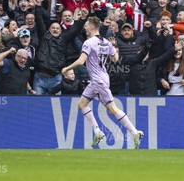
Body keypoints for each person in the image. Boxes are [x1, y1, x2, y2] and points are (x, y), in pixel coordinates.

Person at [61, 17, 144, 149]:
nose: (85, 27)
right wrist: (115, 46)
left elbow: (81, 61)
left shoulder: (89, 43)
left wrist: (67, 68)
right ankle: (97, 132)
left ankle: (134, 132)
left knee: (113, 109)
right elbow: (115, 59)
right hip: (99, 79)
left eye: (87, 25)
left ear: (92, 27)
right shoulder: (106, 42)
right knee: (82, 104)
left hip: (98, 80)